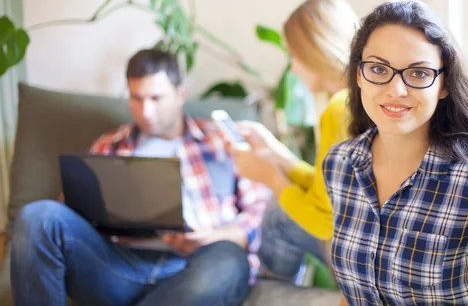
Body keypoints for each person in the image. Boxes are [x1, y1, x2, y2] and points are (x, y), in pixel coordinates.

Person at [322, 0, 468, 305]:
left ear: (444, 84)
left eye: (418, 73)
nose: (396, 90)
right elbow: (353, 291)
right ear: (358, 75)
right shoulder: (339, 165)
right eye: (378, 69)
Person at [10, 49, 272, 306]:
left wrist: (212, 237)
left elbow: (261, 213)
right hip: (120, 268)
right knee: (38, 216)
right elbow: (68, 217)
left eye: (156, 98)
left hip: (198, 265)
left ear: (180, 95)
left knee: (228, 260)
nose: (146, 111)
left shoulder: (221, 141)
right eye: (136, 98)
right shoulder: (109, 145)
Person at [229, 0, 358, 280]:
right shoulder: (361, 98)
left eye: (294, 56)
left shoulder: (339, 109)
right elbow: (333, 195)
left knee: (277, 218)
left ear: (316, 52)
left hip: (361, 256)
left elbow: (325, 221)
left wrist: (271, 178)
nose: (293, 69)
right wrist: (279, 157)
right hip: (380, 244)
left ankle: (269, 295)